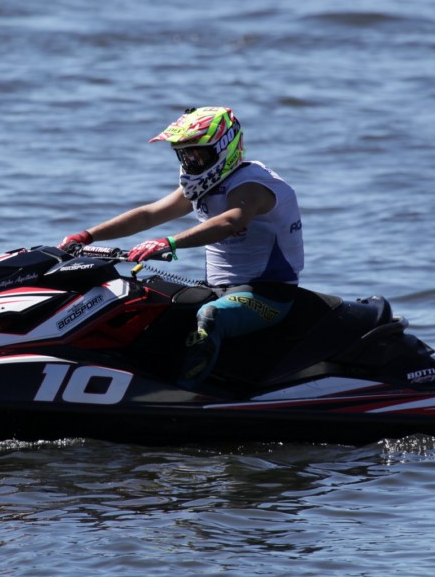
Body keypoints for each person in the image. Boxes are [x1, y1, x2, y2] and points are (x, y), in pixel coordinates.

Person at [59, 106, 304, 388]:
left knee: (209, 316)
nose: (191, 160)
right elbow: (150, 214)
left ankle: (183, 399)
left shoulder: (252, 185)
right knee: (138, 301)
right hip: (217, 288)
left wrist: (170, 242)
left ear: (224, 148)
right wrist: (86, 236)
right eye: (185, 154)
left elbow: (230, 221)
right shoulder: (205, 183)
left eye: (199, 153)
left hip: (267, 296)